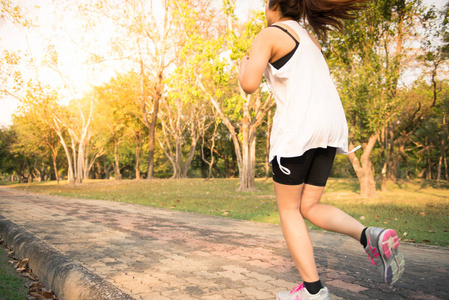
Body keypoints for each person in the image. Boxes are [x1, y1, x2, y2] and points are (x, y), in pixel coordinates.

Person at [238, 0, 405, 299]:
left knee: (289, 210)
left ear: (271, 4)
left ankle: (313, 291)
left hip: (299, 131)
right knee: (309, 206)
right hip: (330, 129)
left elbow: (249, 84)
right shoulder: (307, 38)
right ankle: (369, 236)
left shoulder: (269, 34)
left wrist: (243, 68)